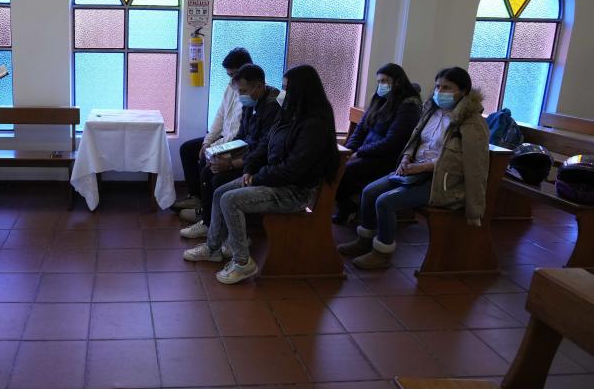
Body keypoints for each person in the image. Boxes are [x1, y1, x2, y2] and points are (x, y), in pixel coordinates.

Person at [183, 65, 339, 284]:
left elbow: (292, 169)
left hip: (293, 192)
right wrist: (249, 168)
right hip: (274, 180)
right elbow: (264, 144)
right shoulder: (289, 114)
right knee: (220, 191)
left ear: (302, 91)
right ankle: (213, 248)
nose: (281, 93)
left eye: (287, 88)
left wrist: (257, 177)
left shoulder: (314, 126)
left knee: (230, 200)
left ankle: (242, 262)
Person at [337, 66, 489, 270]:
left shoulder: (472, 123)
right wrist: (407, 158)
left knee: (385, 201)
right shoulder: (432, 112)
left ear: (463, 91)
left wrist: (423, 167)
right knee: (369, 191)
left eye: (446, 87)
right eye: (437, 86)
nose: (439, 92)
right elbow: (415, 141)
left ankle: (382, 252)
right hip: (413, 171)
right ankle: (364, 239)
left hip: (442, 181)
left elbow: (469, 163)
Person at [179, 63, 281, 240]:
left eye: (243, 91)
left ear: (259, 86)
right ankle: (208, 222)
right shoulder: (252, 101)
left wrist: (232, 163)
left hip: (259, 164)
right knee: (208, 168)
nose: (240, 96)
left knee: (218, 178)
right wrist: (223, 152)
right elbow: (242, 135)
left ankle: (220, 229)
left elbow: (263, 149)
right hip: (247, 156)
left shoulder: (272, 108)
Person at [334, 63, 422, 224]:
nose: (381, 85)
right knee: (336, 164)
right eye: (379, 81)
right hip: (367, 152)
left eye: (384, 81)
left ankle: (348, 207)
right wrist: (349, 150)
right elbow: (360, 129)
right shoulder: (379, 99)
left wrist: (359, 153)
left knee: (344, 171)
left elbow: (393, 142)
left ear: (397, 82)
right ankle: (348, 204)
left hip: (387, 158)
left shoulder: (409, 106)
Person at [172, 47, 252, 213]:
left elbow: (238, 133)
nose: (231, 80)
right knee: (187, 149)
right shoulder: (231, 87)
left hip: (236, 143)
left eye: (234, 75)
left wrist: (213, 147)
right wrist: (207, 141)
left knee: (206, 159)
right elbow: (220, 116)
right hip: (224, 137)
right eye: (229, 75)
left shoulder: (249, 93)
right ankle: (195, 197)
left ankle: (203, 209)